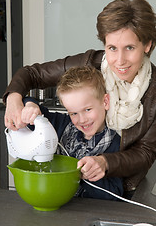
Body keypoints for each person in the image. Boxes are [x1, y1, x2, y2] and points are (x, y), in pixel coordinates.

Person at [3, 0, 156, 195]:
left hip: (124, 192)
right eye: (112, 48)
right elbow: (32, 74)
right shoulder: (89, 64)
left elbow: (145, 153)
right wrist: (14, 99)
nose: (119, 61)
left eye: (130, 48)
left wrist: (105, 162)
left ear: (147, 45)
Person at [22, 66, 123, 200]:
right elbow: (26, 103)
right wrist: (30, 106)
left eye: (87, 109)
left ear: (105, 102)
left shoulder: (116, 143)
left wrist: (87, 176)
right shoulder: (61, 124)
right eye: (73, 113)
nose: (82, 120)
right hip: (56, 203)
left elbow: (116, 195)